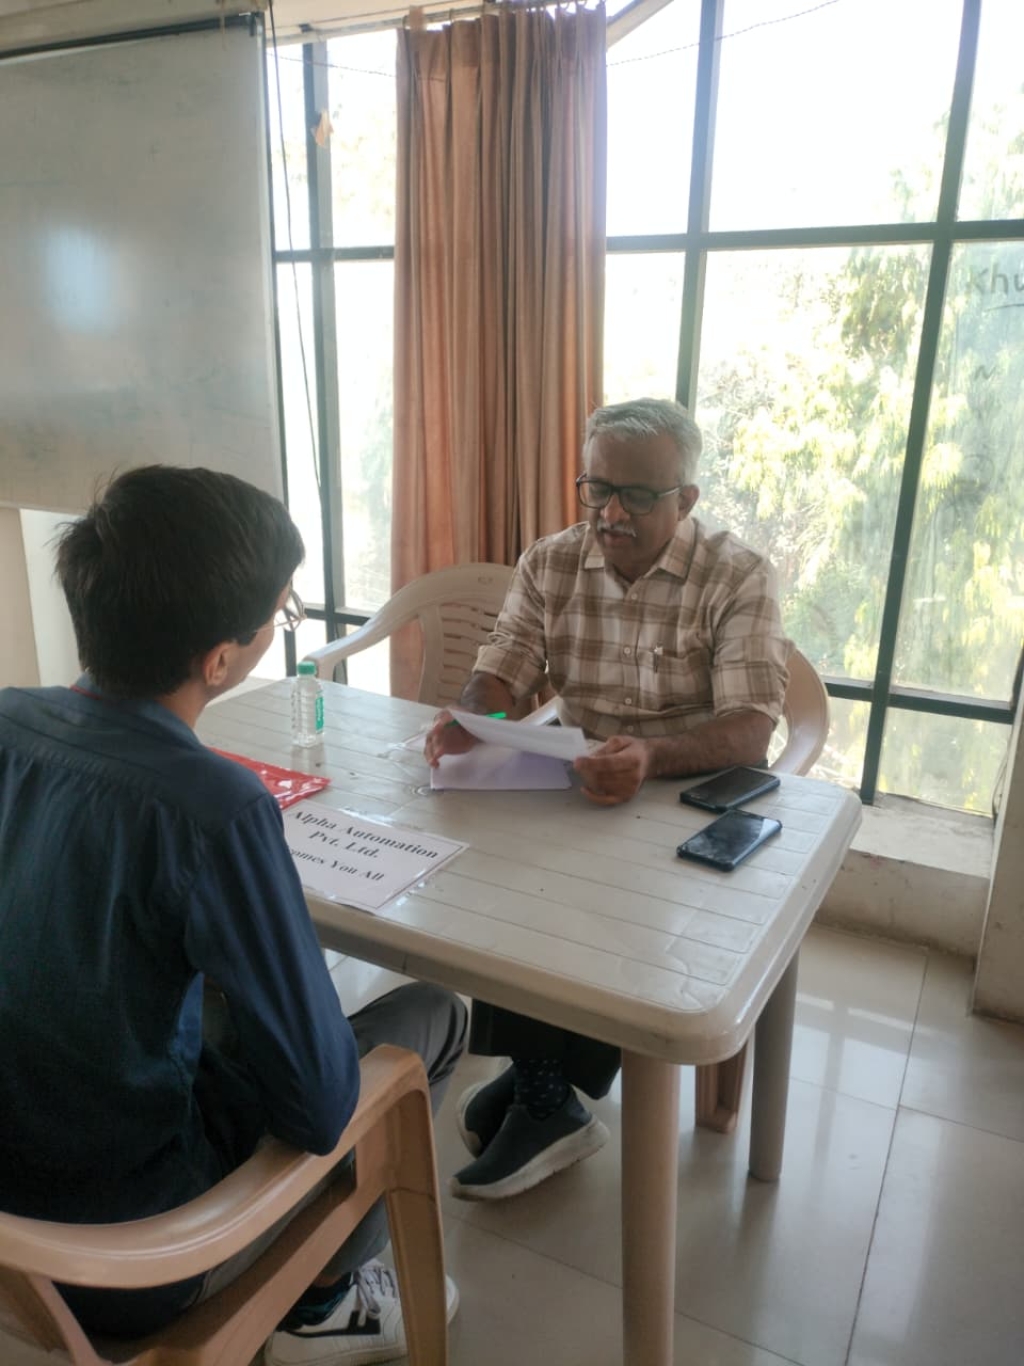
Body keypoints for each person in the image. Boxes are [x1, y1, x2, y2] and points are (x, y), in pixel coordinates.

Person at [0, 466, 467, 1365]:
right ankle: (325, 1299)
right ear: (219, 660)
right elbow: (321, 1106)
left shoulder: (10, 719)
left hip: (15, 1225)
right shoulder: (212, 806)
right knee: (433, 1016)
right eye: (279, 614)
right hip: (129, 1255)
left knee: (212, 999)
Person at [423, 397, 791, 1202]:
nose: (611, 514)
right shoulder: (552, 561)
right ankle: (543, 1079)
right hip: (581, 781)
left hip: (689, 796)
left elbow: (750, 730)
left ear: (686, 499)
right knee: (506, 874)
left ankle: (547, 1091)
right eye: (597, 489)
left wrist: (652, 756)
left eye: (637, 496)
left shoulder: (736, 574)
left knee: (603, 899)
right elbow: (503, 665)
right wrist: (471, 719)